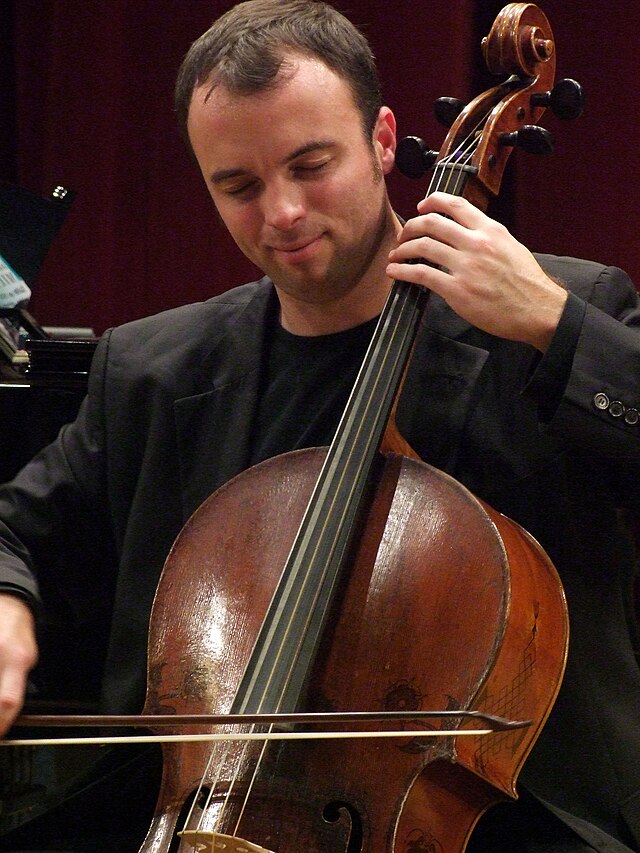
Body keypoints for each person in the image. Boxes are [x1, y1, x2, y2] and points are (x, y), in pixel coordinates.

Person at [1, 0, 640, 850]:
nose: (284, 214)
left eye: (312, 165)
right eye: (239, 186)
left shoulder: (550, 312)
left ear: (382, 139)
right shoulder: (158, 371)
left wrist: (555, 325)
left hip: (518, 825)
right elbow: (16, 527)